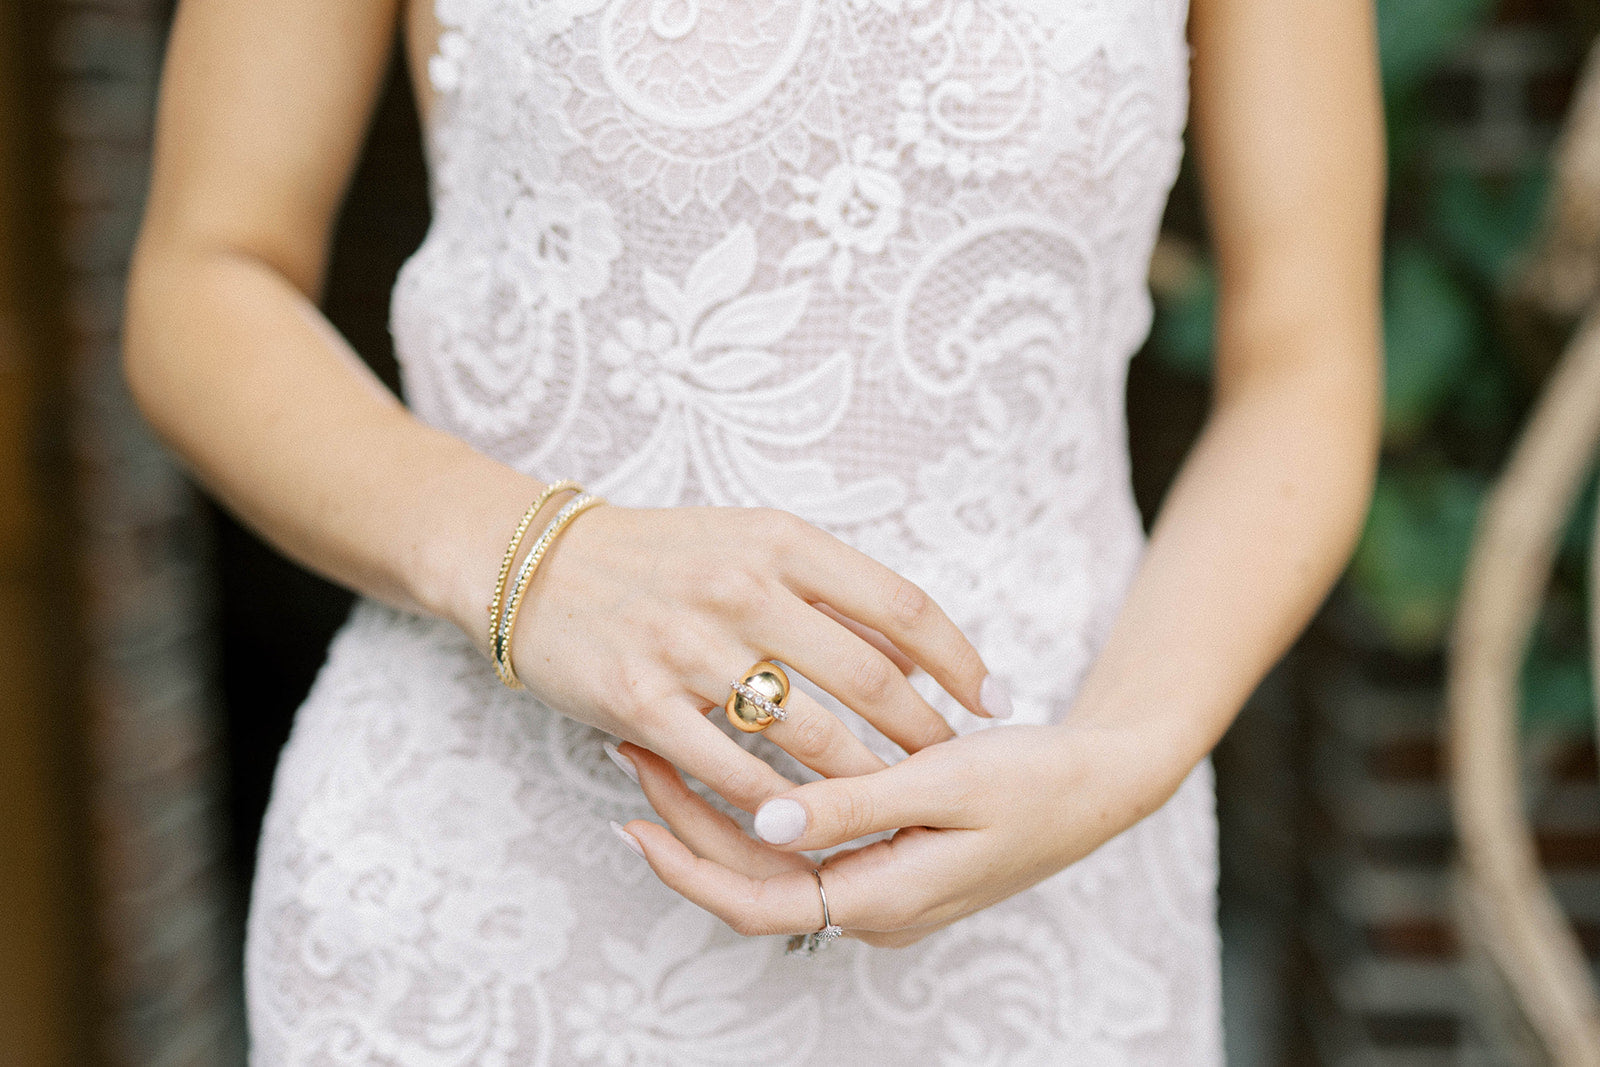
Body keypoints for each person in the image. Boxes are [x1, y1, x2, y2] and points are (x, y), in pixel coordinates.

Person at [124, 0, 1383, 1060]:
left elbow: (1305, 359)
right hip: (496, 900)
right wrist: (534, 553)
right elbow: (206, 276)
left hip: (1042, 883)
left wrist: (1124, 751)